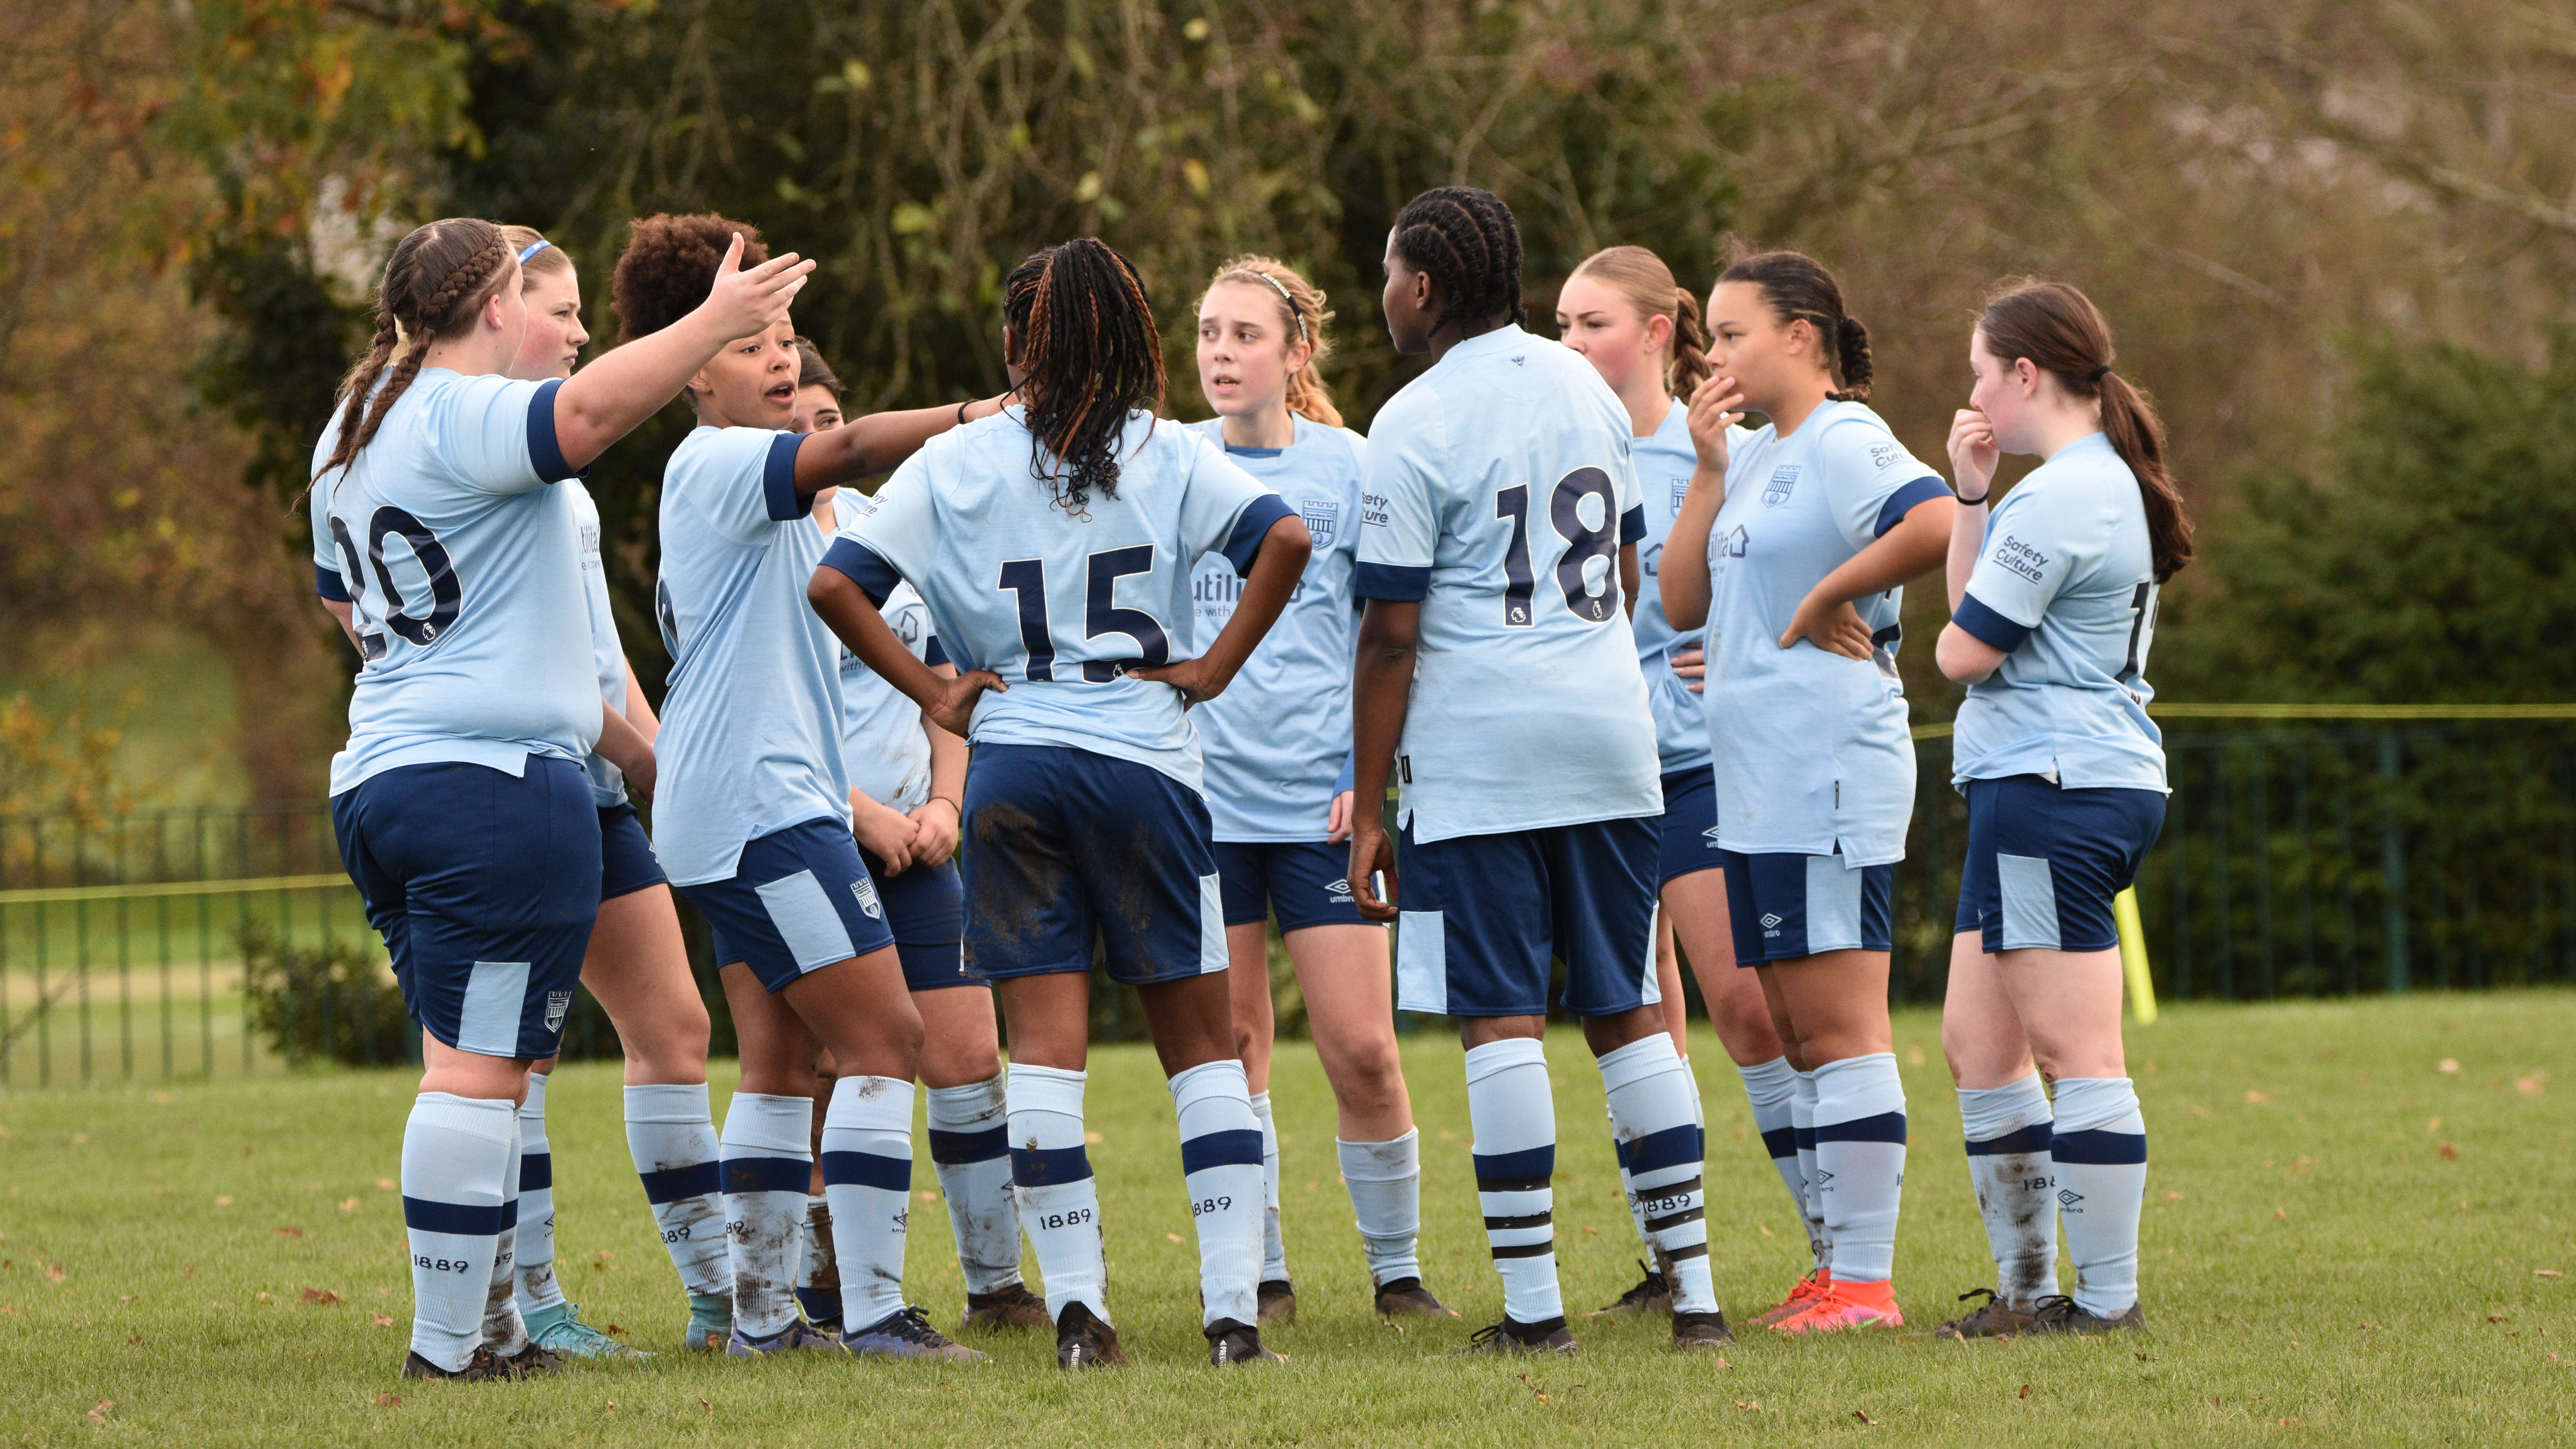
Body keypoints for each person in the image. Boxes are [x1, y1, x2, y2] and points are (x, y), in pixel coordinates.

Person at [311, 216, 811, 1381]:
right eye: (554, 304)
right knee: (481, 1075)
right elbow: (584, 422)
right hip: (491, 785)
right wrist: (714, 327)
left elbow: (349, 606)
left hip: (390, 775)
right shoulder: (458, 407)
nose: (578, 328)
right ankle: (464, 1347)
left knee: (486, 1060)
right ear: (495, 306)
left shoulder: (356, 426)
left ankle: (494, 1331)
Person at [808, 237, 1312, 1370]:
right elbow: (1283, 534)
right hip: (1144, 756)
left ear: (1011, 346)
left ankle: (1081, 1312)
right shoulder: (1164, 449)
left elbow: (837, 582)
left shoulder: (960, 459)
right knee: (1203, 1053)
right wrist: (1216, 667)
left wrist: (940, 692)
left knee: (1041, 1052)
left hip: (1017, 761)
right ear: (1126, 336)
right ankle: (1233, 1317)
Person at [1345, 186, 1730, 1356]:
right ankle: (1700, 1297)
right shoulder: (1586, 387)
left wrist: (1370, 805)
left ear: (1422, 288)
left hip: (1484, 753)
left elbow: (1392, 633)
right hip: (1611, 733)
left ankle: (1533, 1312)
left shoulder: (1411, 422)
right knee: (1629, 1010)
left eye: (1389, 274)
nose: (1384, 293)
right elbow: (1619, 569)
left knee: (1502, 1020)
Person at [613, 211, 995, 1360]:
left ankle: (765, 1325)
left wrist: (932, 698)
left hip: (738, 807)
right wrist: (986, 417)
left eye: (789, 334)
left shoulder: (732, 472)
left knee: (779, 1065)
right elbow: (857, 444)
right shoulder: (720, 463)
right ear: (692, 369)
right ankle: (875, 1316)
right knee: (886, 1040)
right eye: (751, 342)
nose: (783, 359)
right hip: (764, 814)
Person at [1659, 248, 1956, 1334]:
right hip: (1757, 779)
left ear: (1801, 336)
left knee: (1841, 1028)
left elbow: (1929, 518)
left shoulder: (1841, 435)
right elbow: (1682, 599)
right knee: (1793, 1028)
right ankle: (1834, 1270)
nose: (1716, 354)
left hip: (1825, 767)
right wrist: (1702, 469)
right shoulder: (1750, 458)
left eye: (1733, 333)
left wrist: (1836, 591)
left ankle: (1866, 1286)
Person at [1185, 255, 1446, 1323]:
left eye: (1246, 335)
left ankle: (1398, 1273)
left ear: (1296, 356)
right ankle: (1264, 1270)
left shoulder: (1353, 466)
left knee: (1364, 1047)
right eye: (1207, 333)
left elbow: (1393, 638)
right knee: (1235, 1044)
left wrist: (1365, 779)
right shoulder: (1166, 462)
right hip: (1200, 804)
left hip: (1320, 806)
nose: (1220, 353)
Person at [1554, 245, 1811, 1320]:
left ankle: (1834, 1253)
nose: (1568, 344)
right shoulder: (1551, 445)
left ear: (1660, 331)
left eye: (1591, 323)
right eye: (1560, 324)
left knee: (1748, 1009)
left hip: (1701, 765)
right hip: (1592, 769)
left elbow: (1819, 581)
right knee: (1636, 1016)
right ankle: (1674, 1262)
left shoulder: (1731, 453)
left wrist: (1760, 639)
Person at [1931, 279, 2184, 1338]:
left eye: (1983, 372)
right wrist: (1973, 498)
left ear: (2025, 375)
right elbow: (1970, 616)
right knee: (1976, 1047)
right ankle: (2028, 1288)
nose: (1976, 391)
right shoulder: (2080, 483)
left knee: (2079, 1052)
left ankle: (2106, 1299)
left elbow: (1958, 650)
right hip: (2052, 783)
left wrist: (1999, 512)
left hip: (2054, 787)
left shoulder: (2070, 493)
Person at [784, 338, 1050, 1341]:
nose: (809, 437)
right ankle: (821, 1289)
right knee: (821, 1065)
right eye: (791, 422)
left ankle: (996, 1284)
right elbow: (756, 721)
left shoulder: (879, 528)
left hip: (919, 832)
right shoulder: (748, 541)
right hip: (817, 826)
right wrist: (864, 811)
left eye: (824, 420)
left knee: (969, 1050)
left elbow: (948, 677)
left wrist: (944, 805)